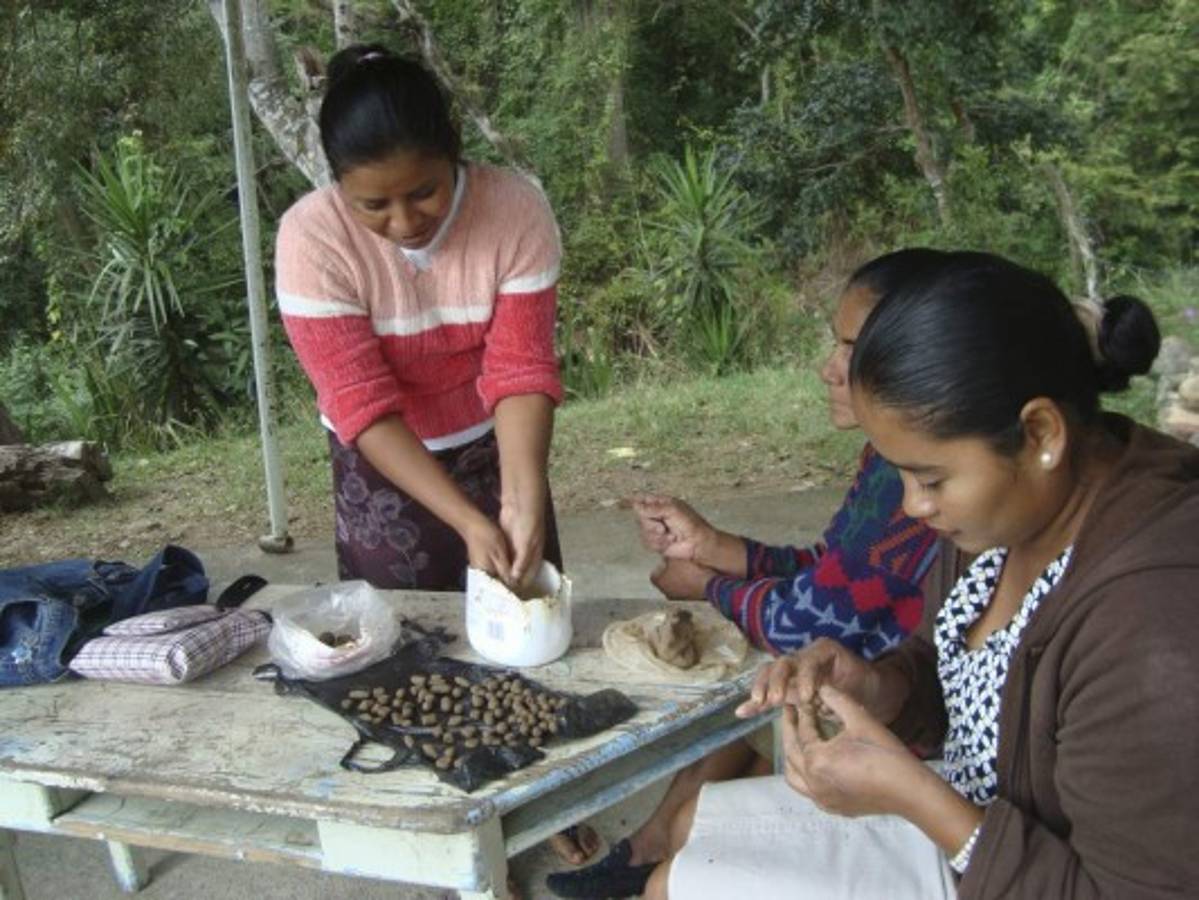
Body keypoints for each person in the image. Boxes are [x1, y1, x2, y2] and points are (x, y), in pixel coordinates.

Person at [651, 251, 1199, 899]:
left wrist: (914, 798)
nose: (912, 506)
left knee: (676, 889)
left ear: (1041, 433)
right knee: (690, 829)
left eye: (930, 478)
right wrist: (879, 687)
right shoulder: (1012, 514)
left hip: (1017, 861)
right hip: (988, 828)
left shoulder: (1153, 621)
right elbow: (964, 685)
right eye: (901, 474)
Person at [275, 45, 597, 871]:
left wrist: (518, 497)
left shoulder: (515, 209)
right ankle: (449, 836)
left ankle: (531, 797)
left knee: (522, 625)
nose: (403, 221)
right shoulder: (310, 237)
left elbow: (521, 367)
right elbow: (359, 403)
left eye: (423, 191)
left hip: (495, 437)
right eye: (372, 203)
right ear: (338, 184)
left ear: (455, 153)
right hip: (381, 458)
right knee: (406, 648)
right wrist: (458, 515)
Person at [547, 248, 951, 899]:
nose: (827, 369)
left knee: (741, 710)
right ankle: (650, 846)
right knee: (714, 771)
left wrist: (707, 586)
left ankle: (652, 850)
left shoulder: (919, 489)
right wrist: (715, 545)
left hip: (908, 751)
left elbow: (807, 622)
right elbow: (828, 571)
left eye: (850, 348)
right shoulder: (887, 463)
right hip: (893, 706)